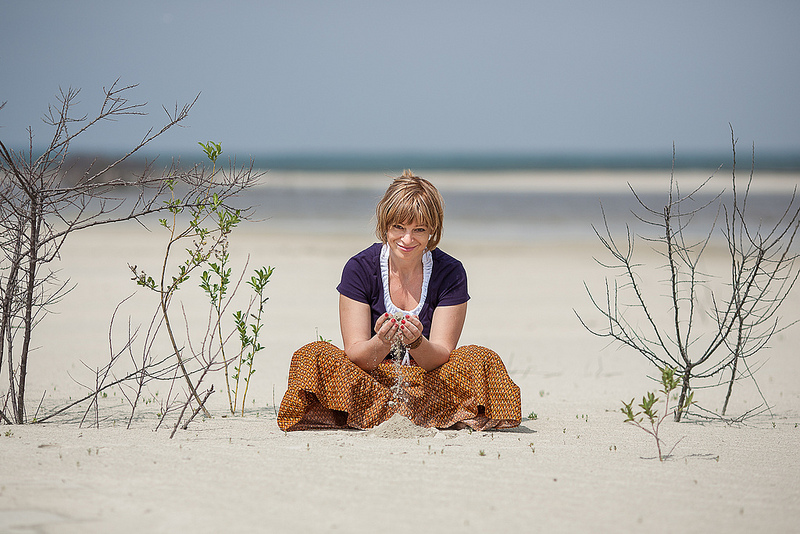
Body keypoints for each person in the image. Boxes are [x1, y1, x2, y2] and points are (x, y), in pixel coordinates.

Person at [277, 170, 521, 431]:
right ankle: (437, 416)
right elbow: (356, 356)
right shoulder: (359, 268)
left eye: (418, 230)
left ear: (432, 231)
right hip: (372, 378)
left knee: (481, 359)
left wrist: (416, 342)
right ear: (385, 226)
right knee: (312, 355)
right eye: (399, 227)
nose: (407, 239)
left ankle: (369, 415)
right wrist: (381, 341)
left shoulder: (451, 272)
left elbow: (440, 356)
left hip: (428, 381)